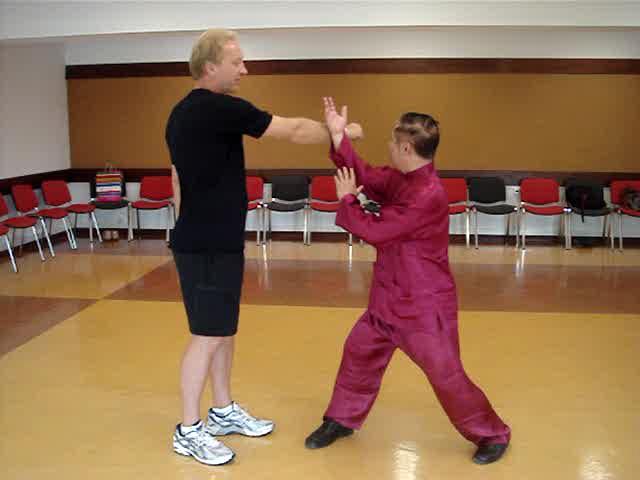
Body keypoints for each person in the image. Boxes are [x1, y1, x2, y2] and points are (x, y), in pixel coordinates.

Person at [166, 30, 362, 466]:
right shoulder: (216, 107)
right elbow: (290, 130)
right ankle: (188, 428)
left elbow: (179, 177)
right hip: (204, 245)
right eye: (237, 62)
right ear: (210, 66)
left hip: (214, 239)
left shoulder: (184, 113)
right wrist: (341, 133)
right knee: (207, 336)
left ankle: (221, 410)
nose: (245, 69)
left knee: (223, 332)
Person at [304, 98, 511, 465]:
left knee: (446, 375)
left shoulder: (427, 194)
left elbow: (379, 231)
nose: (387, 146)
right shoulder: (402, 179)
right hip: (387, 299)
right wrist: (339, 138)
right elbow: (365, 173)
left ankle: (492, 434)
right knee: (358, 355)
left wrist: (348, 200)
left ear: (405, 147)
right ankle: (342, 419)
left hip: (423, 306)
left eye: (391, 141)